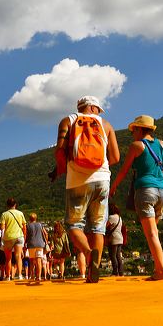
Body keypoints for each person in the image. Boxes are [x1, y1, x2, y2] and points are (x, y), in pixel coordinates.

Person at [51, 96, 120, 283]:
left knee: (74, 225)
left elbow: (59, 149)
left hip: (76, 180)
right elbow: (115, 157)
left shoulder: (68, 121)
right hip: (102, 179)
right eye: (98, 109)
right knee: (98, 228)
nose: (99, 112)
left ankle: (89, 255)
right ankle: (92, 271)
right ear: (91, 107)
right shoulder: (106, 125)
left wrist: (60, 169)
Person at [110, 115, 163, 281]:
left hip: (146, 190)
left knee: (151, 233)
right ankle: (157, 269)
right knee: (154, 233)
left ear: (139, 129)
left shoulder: (137, 146)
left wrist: (114, 186)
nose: (132, 134)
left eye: (133, 130)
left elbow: (124, 170)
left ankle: (161, 271)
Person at [0, 197, 27, 280]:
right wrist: (24, 236)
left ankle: (8, 276)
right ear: (15, 204)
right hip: (19, 236)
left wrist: (1, 226)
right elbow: (24, 227)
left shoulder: (4, 214)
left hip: (9, 237)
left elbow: (2, 227)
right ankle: (20, 275)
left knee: (8, 258)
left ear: (7, 205)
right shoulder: (20, 213)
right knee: (18, 256)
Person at [25, 213, 48, 282]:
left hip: (31, 244)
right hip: (40, 244)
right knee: (39, 261)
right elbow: (46, 233)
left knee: (32, 261)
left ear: (29, 218)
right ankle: (39, 276)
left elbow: (26, 235)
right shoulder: (40, 225)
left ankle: (32, 276)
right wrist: (45, 241)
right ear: (36, 218)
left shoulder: (27, 225)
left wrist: (25, 243)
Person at [105, 203, 124, 276]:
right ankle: (121, 272)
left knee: (113, 256)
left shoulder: (111, 217)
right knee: (118, 256)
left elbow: (106, 225)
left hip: (113, 238)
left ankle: (115, 272)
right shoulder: (119, 217)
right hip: (120, 238)